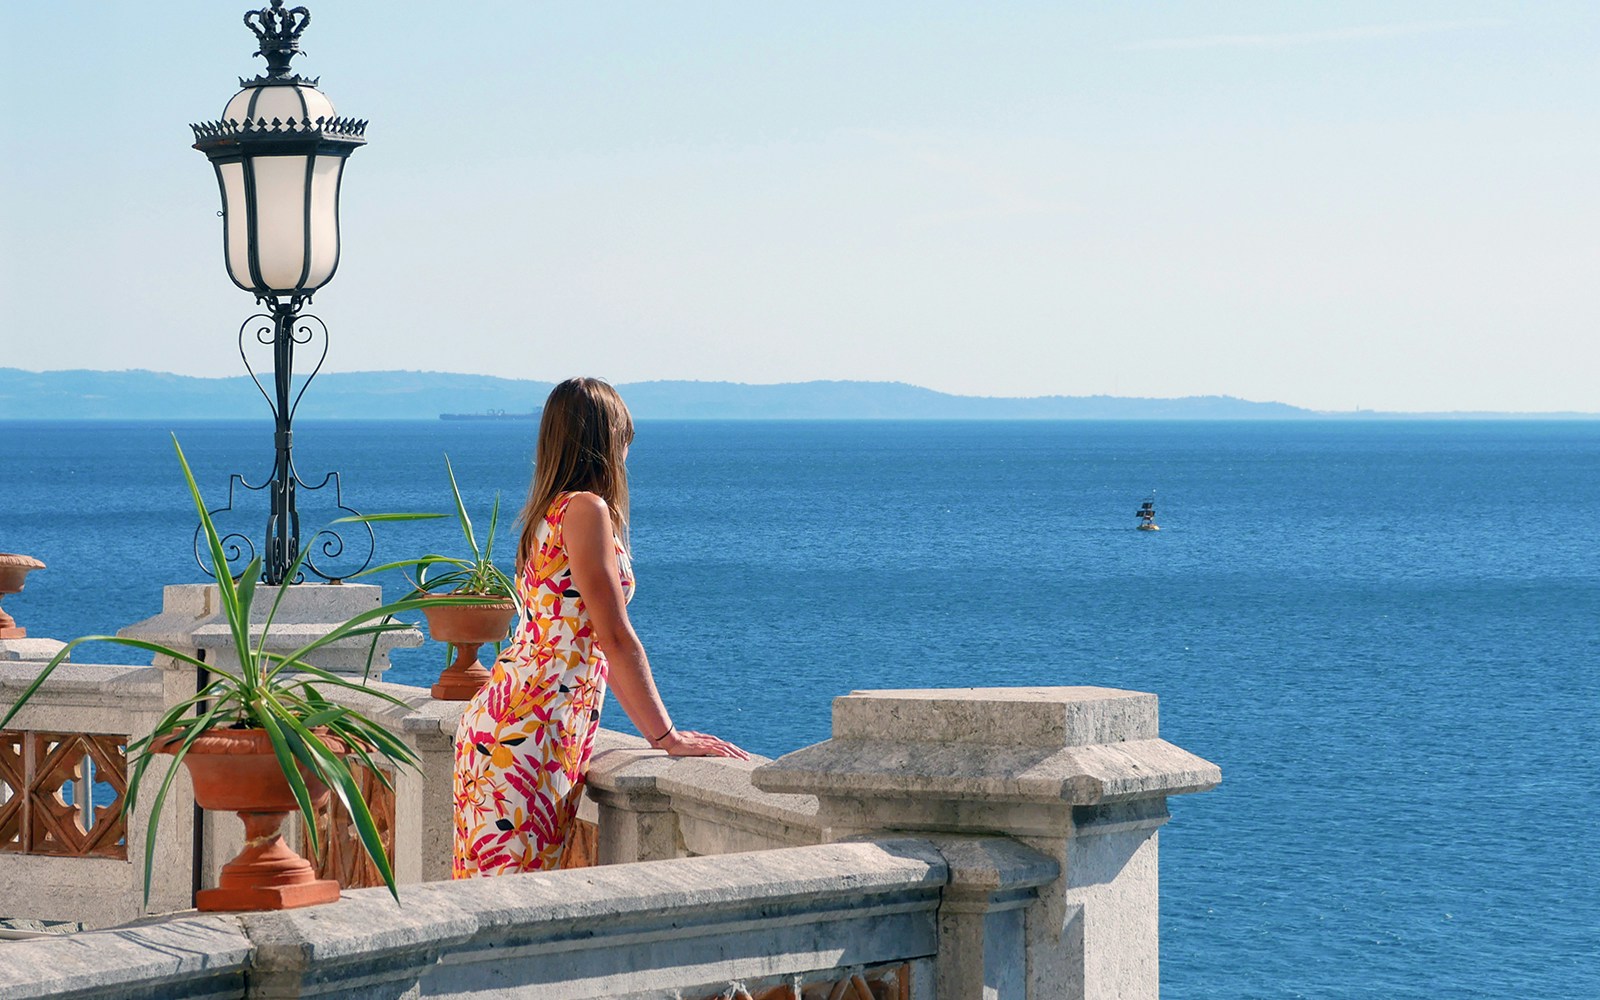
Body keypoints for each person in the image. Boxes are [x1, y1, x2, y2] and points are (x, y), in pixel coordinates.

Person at [452, 377, 748, 878]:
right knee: (508, 904)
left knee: (490, 900)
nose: (628, 452)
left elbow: (580, 641)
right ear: (607, 440)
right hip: (532, 731)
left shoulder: (545, 513)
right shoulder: (586, 510)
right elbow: (612, 636)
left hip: (511, 724)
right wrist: (667, 737)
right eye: (624, 439)